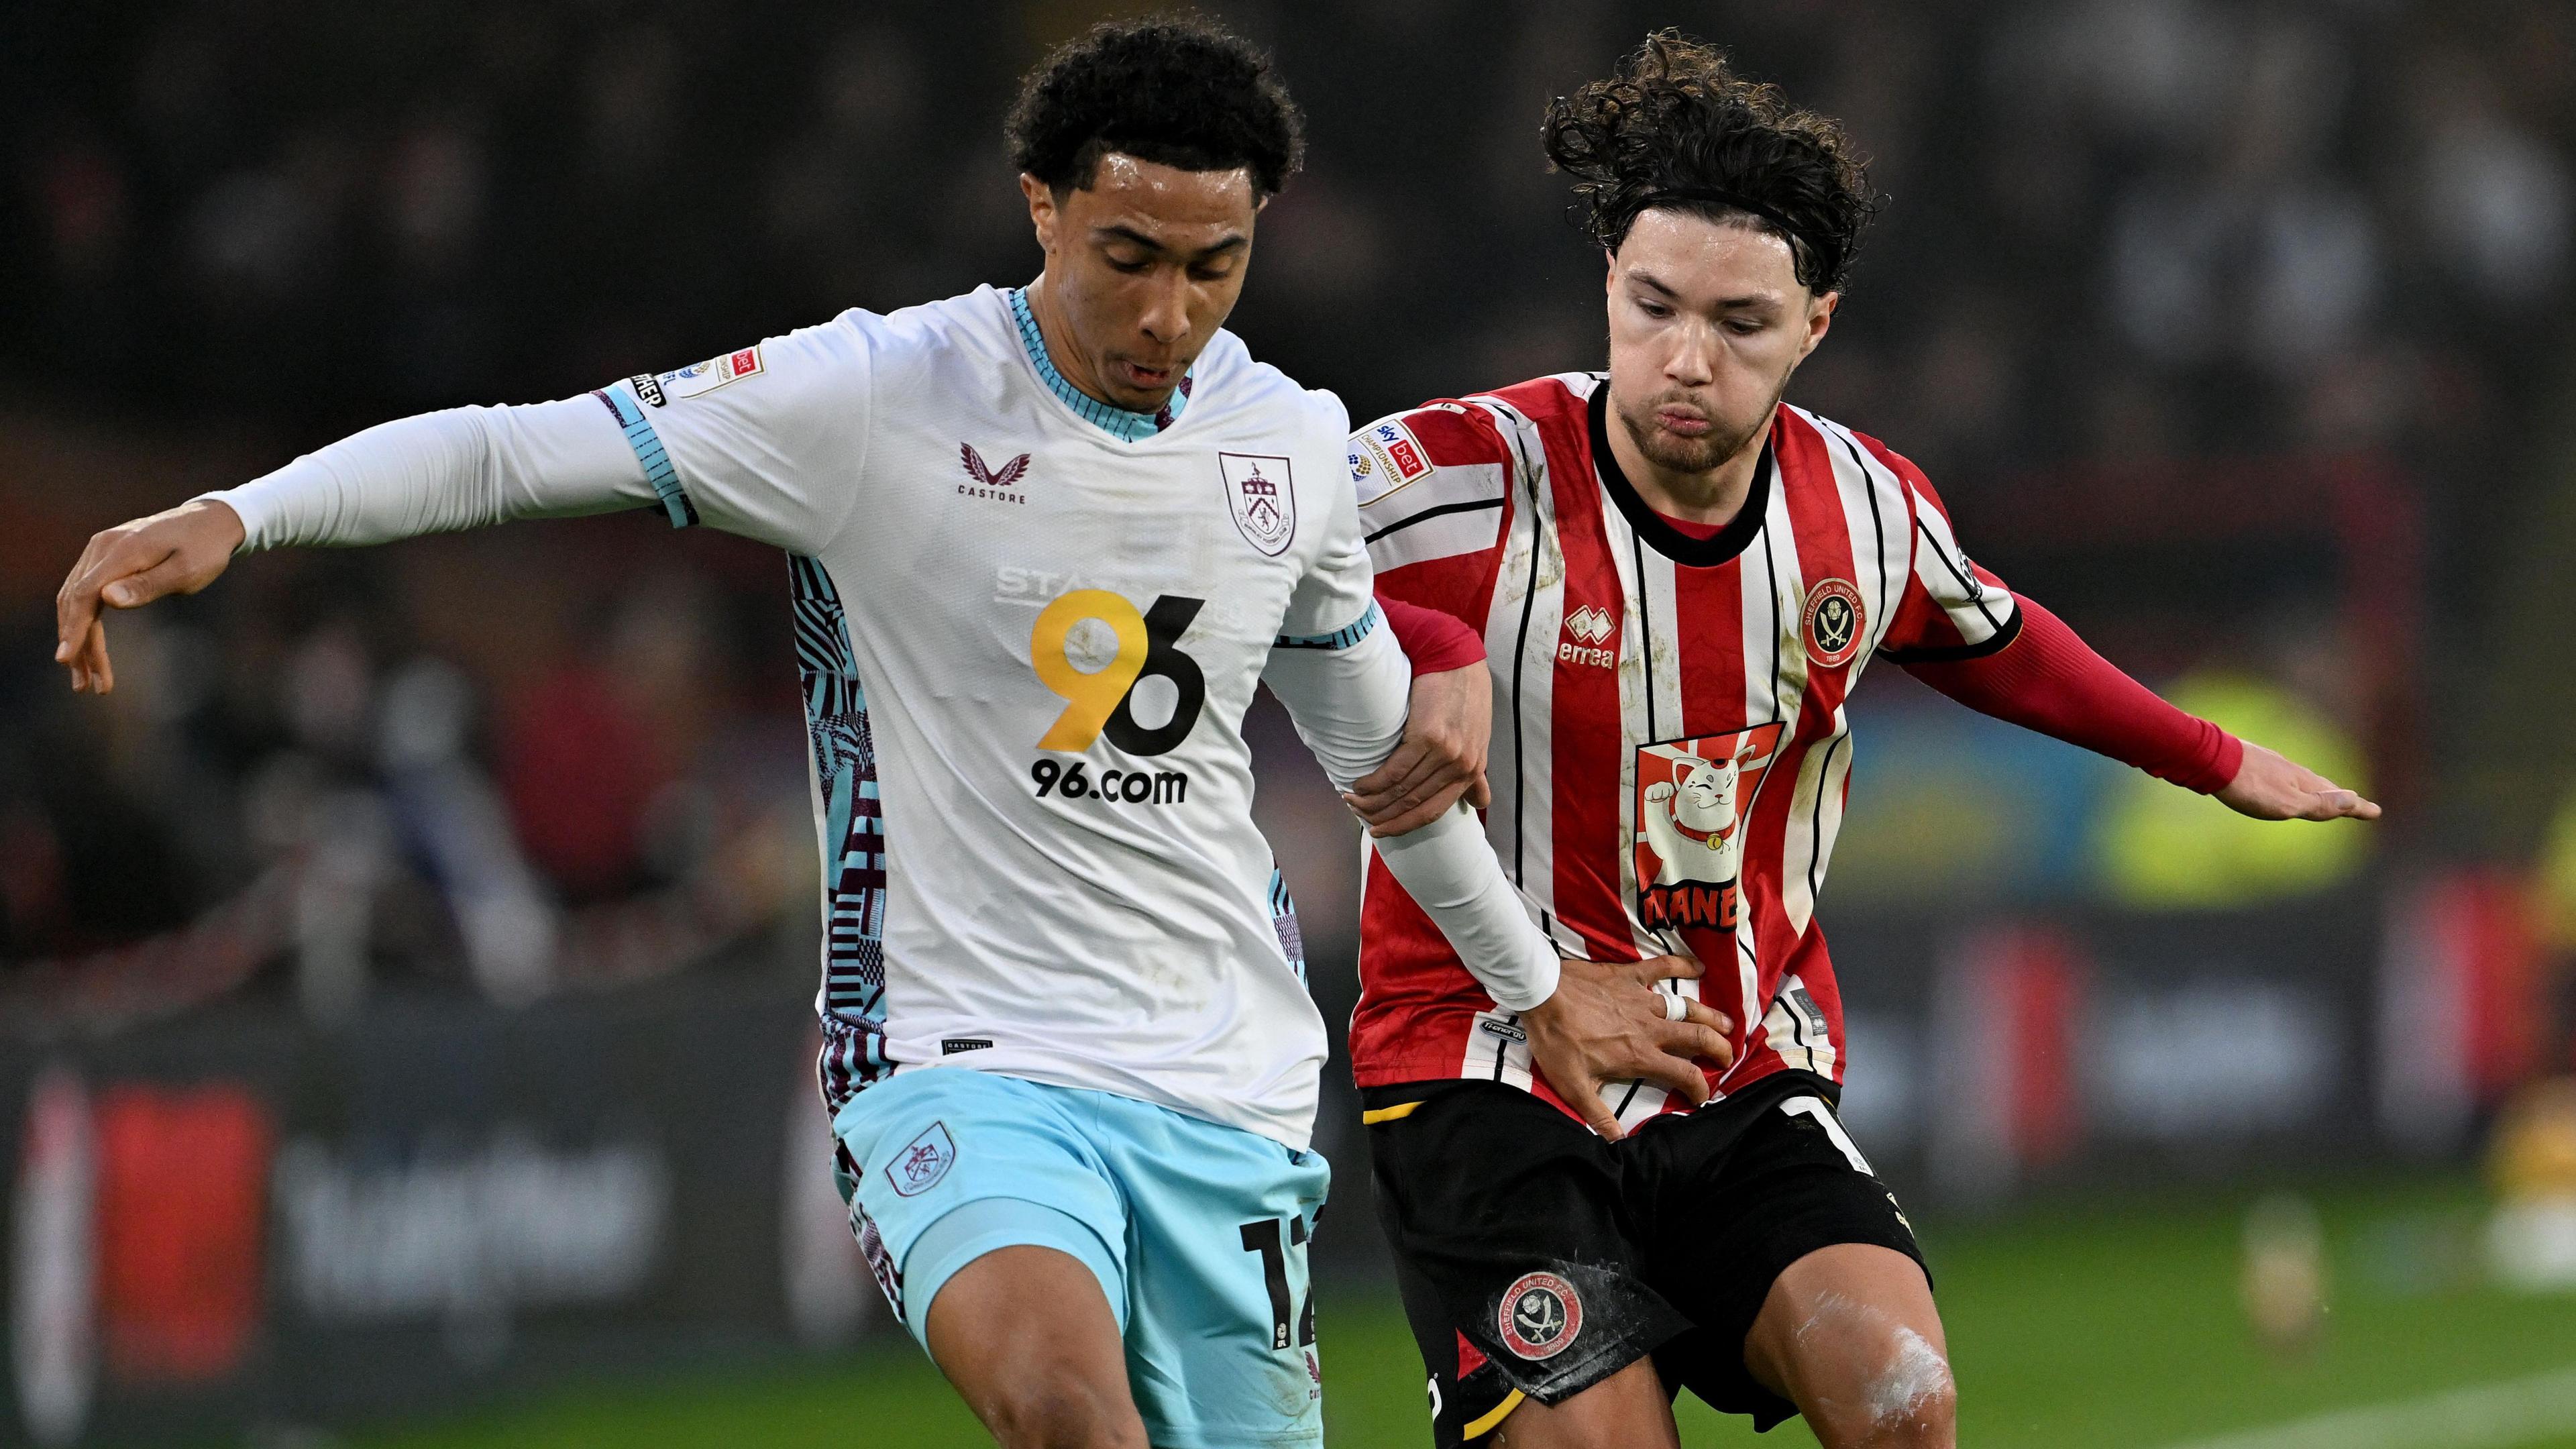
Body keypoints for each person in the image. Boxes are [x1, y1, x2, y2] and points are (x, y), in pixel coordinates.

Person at [48, 21, 1726, 1449]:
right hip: (959, 1055)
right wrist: (240, 515)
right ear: (1042, 207)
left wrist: (1535, 989)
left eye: (1213, 267)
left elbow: (1387, 770)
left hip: (1227, 1080)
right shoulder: (872, 399)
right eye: (1127, 257)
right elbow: (517, 450)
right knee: (1068, 1416)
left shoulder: (1285, 442)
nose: (1168, 313)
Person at [1339, 32, 2381, 1449]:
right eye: (1651, 306)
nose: (1684, 359)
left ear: (1815, 326)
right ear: (1607, 285)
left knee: (1903, 1403)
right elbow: (1251, 552)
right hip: (1486, 1065)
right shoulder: (1455, 475)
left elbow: (1997, 639)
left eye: (1740, 323)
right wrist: (1436, 644)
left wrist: (2212, 756)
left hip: (1731, 1059)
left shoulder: (1863, 506)